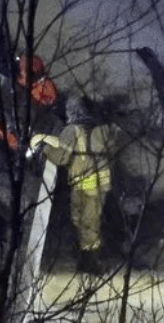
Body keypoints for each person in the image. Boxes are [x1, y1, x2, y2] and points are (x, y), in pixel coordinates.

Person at [32, 97, 113, 273]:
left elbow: (61, 157)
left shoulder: (71, 131)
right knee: (89, 220)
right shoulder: (100, 130)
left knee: (84, 221)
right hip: (99, 182)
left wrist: (43, 150)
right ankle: (89, 258)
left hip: (84, 182)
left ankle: (90, 262)